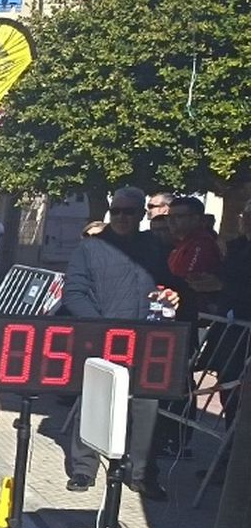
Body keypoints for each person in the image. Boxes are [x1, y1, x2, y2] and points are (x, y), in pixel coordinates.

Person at [62, 186, 179, 499]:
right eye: (117, 211)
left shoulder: (155, 246)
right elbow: (73, 292)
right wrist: (99, 326)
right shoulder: (90, 248)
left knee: (147, 403)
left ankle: (140, 472)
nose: (123, 217)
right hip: (104, 336)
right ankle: (83, 468)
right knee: (95, 398)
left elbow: (171, 285)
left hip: (146, 338)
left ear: (141, 214)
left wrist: (171, 296)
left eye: (130, 212)